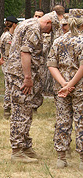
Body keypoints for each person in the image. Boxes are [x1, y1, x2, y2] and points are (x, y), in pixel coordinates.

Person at [7, 13, 54, 163]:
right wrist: (27, 77)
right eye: (50, 28)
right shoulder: (34, 28)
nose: (48, 32)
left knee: (25, 111)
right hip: (21, 77)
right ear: (48, 22)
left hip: (20, 74)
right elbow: (25, 52)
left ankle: (25, 146)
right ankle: (17, 151)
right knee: (21, 113)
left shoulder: (29, 23)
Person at [47, 9, 83, 169]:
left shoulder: (59, 41)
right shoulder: (81, 41)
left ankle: (61, 157)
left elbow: (51, 65)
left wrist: (63, 84)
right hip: (80, 87)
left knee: (62, 119)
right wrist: (70, 85)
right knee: (81, 121)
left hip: (61, 89)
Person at [0, 16, 18, 119]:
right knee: (9, 88)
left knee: (10, 87)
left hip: (8, 64)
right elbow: (8, 52)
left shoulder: (8, 35)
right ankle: (7, 109)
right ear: (14, 24)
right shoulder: (8, 37)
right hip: (9, 65)